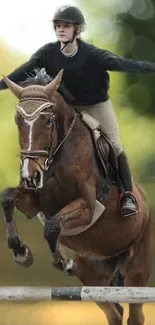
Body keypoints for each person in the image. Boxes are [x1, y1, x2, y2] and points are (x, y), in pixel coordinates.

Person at [1, 5, 155, 217]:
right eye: (58, 26)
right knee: (46, 134)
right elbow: (21, 72)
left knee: (114, 143)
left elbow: (123, 63)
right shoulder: (48, 53)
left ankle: (127, 195)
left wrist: (149, 67)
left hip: (96, 105)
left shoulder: (93, 55)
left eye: (66, 26)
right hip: (69, 108)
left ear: (78, 30)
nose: (61, 30)